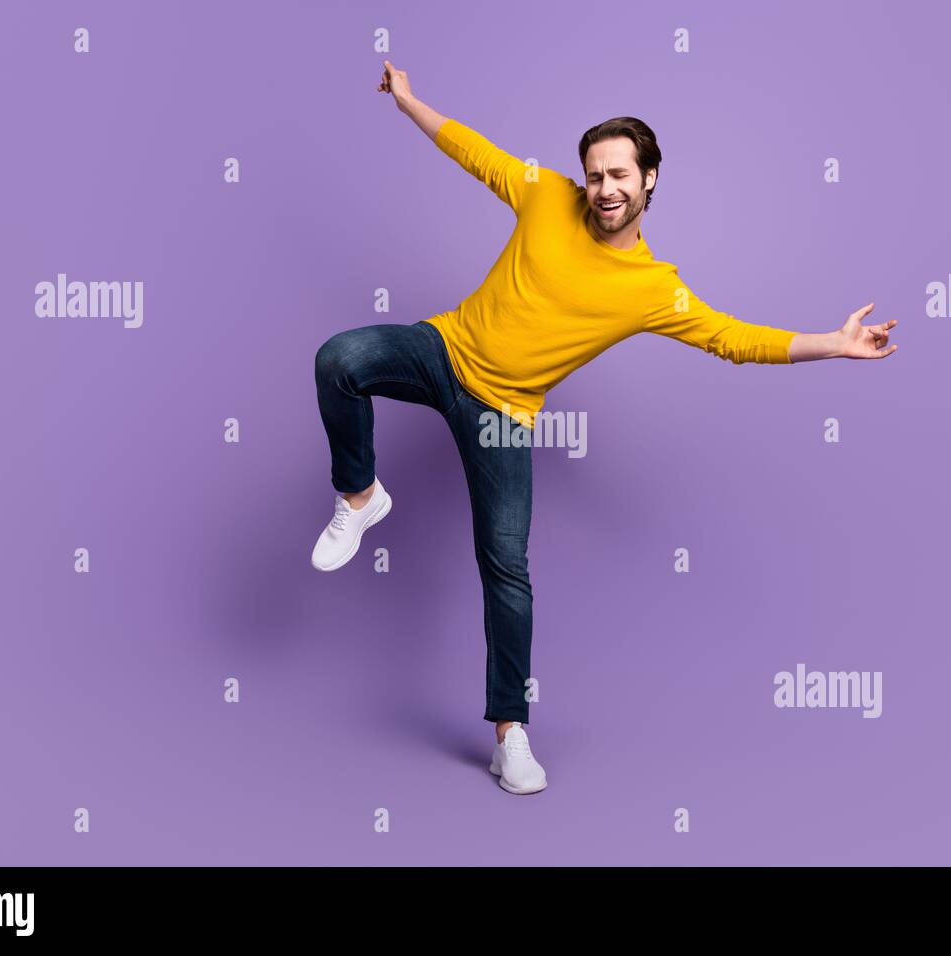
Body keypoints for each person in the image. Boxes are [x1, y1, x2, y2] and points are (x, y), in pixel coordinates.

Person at [312, 60, 898, 796]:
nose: (604, 189)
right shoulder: (544, 195)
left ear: (650, 178)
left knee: (506, 568)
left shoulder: (654, 289)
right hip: (442, 349)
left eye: (620, 174)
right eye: (594, 175)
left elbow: (735, 339)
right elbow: (469, 148)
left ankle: (509, 734)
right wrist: (406, 101)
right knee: (341, 359)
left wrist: (833, 343)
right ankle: (361, 498)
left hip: (503, 414)